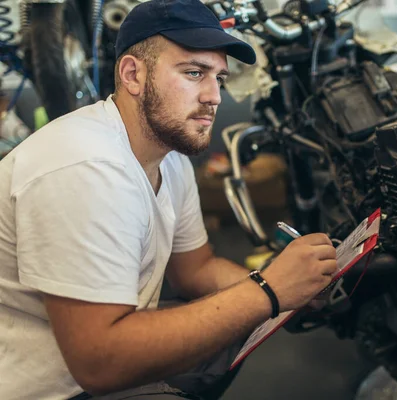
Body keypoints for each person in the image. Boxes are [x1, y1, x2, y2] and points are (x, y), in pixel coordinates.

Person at [0, 0, 338, 399]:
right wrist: (267, 289)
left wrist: (293, 288)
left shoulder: (168, 154)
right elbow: (99, 362)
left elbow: (195, 270)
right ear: (133, 74)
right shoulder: (84, 167)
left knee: (238, 320)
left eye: (220, 79)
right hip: (56, 387)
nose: (214, 96)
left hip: (97, 356)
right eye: (194, 73)